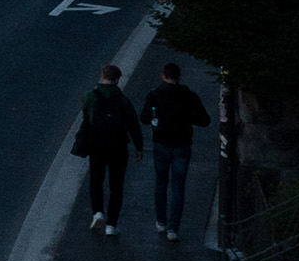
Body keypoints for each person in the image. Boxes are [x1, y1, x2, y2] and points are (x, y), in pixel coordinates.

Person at [141, 61, 214, 242]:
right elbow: (205, 120)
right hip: (182, 145)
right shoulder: (189, 96)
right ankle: (173, 228)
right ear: (179, 77)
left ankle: (161, 221)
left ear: (163, 75)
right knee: (178, 187)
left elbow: (144, 118)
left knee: (161, 183)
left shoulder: (154, 95)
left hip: (161, 143)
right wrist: (187, 118)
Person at [77, 63, 144, 237]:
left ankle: (98, 212)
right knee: (116, 186)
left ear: (102, 76)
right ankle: (112, 225)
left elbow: (86, 118)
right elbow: (133, 125)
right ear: (117, 79)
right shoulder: (123, 100)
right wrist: (139, 146)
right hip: (118, 147)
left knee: (96, 180)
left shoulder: (90, 97)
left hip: (96, 145)